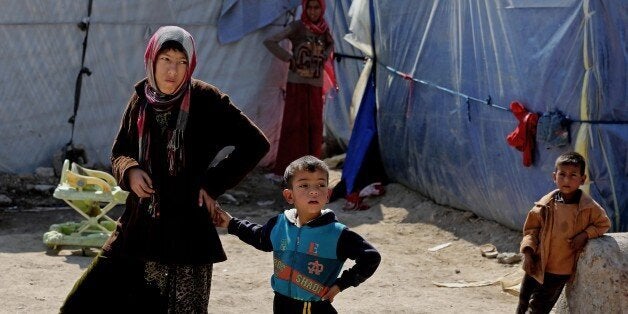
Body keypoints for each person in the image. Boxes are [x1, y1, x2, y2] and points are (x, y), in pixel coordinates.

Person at [61, 25, 270, 313]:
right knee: (83, 303)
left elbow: (255, 144)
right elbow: (121, 150)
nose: (173, 71)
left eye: (181, 62)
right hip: (139, 227)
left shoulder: (206, 100)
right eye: (166, 60)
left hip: (187, 230)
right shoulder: (141, 99)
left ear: (191, 64)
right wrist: (131, 170)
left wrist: (211, 184)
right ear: (152, 59)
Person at [214, 155, 381, 313]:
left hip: (313, 307)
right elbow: (260, 237)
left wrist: (341, 284)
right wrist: (231, 223)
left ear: (328, 194)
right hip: (281, 303)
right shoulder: (280, 224)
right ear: (289, 195)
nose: (314, 191)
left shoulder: (337, 234)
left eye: (320, 185)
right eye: (304, 185)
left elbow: (371, 257)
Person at [516, 151, 611, 314]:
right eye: (562, 174)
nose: (567, 180)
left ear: (583, 179)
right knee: (523, 300)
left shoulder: (590, 207)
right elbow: (531, 230)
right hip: (537, 262)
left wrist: (585, 234)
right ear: (554, 176)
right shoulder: (544, 205)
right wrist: (528, 252)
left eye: (573, 175)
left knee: (539, 307)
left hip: (560, 269)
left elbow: (604, 224)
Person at [264, 0, 334, 180]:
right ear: (304, 8)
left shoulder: (324, 29)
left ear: (322, 9)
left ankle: (311, 169)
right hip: (297, 84)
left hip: (315, 85)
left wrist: (323, 57)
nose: (312, 11)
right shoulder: (297, 26)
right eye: (309, 7)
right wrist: (289, 58)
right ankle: (289, 169)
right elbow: (270, 41)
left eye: (316, 7)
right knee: (295, 126)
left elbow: (330, 45)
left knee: (313, 127)